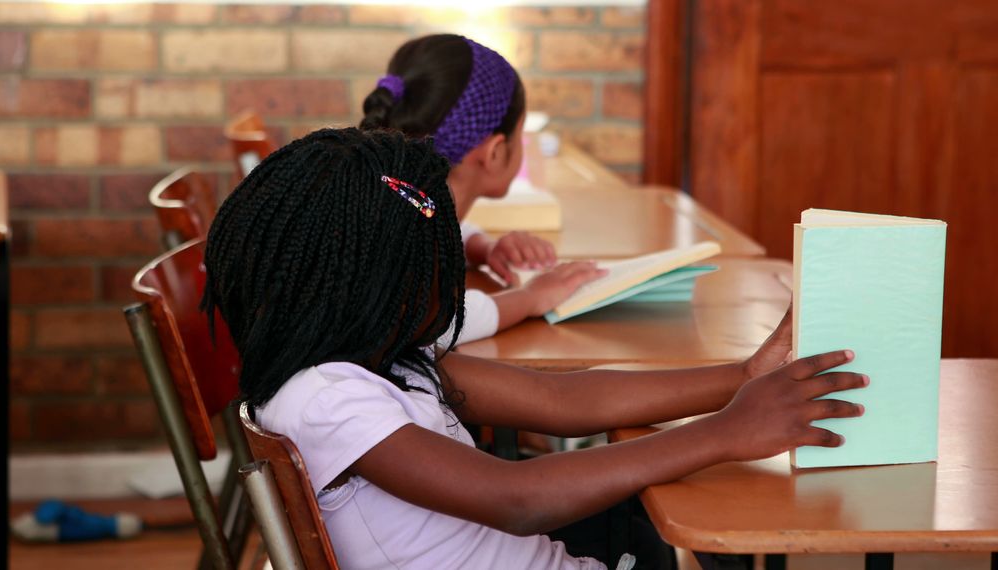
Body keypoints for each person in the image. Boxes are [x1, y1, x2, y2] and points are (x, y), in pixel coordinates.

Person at [202, 128, 866, 570]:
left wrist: (742, 376)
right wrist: (724, 433)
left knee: (662, 521)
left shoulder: (381, 360)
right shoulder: (327, 400)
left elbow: (560, 396)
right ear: (374, 290)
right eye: (437, 269)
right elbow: (518, 498)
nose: (452, 286)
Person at [361, 34, 584, 343]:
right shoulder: (402, 255)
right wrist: (530, 297)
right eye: (520, 134)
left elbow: (438, 230)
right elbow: (432, 324)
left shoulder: (387, 202)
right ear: (494, 153)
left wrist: (482, 247)